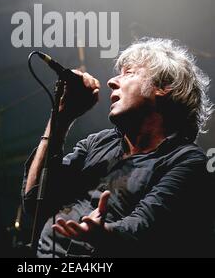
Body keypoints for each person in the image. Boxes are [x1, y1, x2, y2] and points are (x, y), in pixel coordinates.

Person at [21, 38, 214, 257]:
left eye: (128, 73)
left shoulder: (187, 160)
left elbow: (143, 227)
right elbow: (34, 200)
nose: (112, 81)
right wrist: (62, 118)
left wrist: (102, 233)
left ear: (163, 87)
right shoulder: (97, 143)